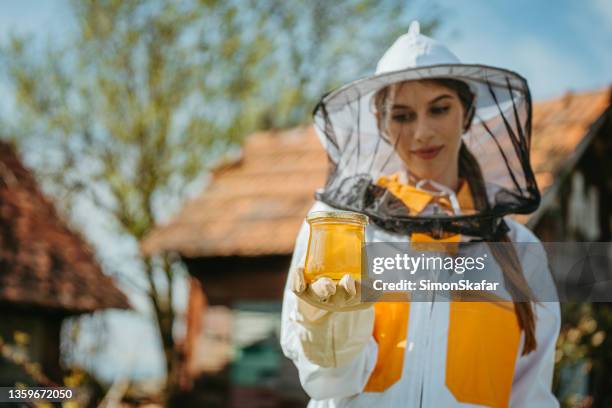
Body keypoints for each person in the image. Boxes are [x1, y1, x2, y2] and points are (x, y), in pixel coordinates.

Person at [280, 21, 560, 407]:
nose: (422, 132)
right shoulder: (341, 226)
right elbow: (324, 381)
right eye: (402, 116)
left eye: (439, 109)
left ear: (466, 112)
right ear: (381, 122)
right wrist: (332, 328)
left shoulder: (521, 249)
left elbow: (531, 398)